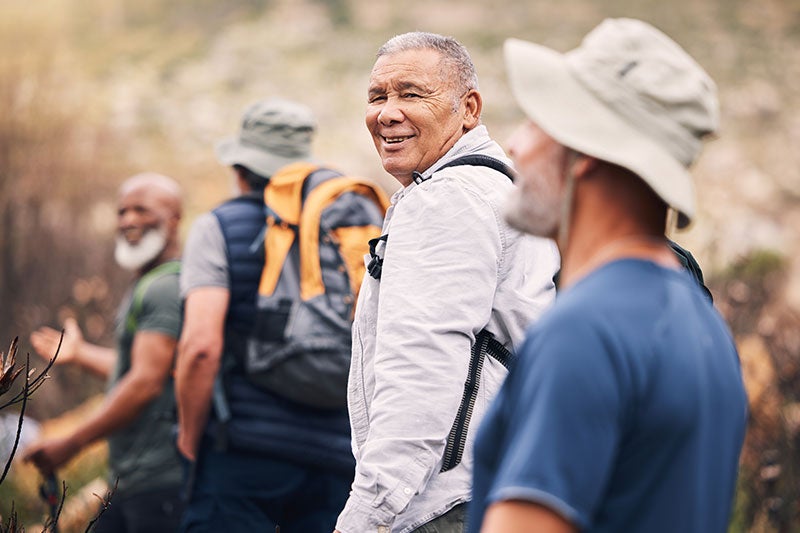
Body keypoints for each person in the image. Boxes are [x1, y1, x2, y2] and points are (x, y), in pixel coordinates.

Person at [469, 18, 748, 533]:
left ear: (585, 153)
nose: (516, 143)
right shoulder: (705, 327)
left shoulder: (585, 330)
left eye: (538, 120)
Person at [334, 32, 559, 533]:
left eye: (411, 93)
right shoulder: (500, 187)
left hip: (445, 504)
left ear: (469, 109)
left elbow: (422, 369)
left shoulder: (446, 200)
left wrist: (367, 515)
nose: (387, 113)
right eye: (378, 97)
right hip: (500, 487)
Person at [175, 98, 383, 531]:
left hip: (243, 453)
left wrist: (189, 442)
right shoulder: (343, 225)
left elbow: (200, 348)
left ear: (240, 169)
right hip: (336, 456)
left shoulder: (219, 227)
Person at [24, 172, 185, 532]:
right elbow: (146, 367)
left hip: (161, 482)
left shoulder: (165, 287)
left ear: (175, 218)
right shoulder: (150, 284)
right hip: (135, 480)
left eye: (141, 209)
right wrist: (81, 354)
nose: (128, 219)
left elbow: (145, 382)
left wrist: (71, 443)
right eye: (122, 211)